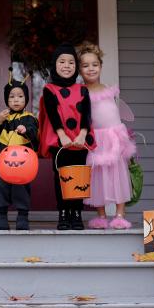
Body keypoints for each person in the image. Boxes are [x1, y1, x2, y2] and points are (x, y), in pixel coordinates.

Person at [78, 42, 135, 229]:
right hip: (95, 139)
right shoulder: (81, 92)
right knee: (98, 176)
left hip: (113, 137)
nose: (91, 69)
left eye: (94, 64)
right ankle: (101, 215)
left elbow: (116, 113)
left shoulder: (109, 90)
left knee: (118, 174)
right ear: (79, 69)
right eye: (85, 65)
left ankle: (119, 214)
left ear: (101, 66)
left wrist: (123, 136)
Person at [39, 43, 96, 230]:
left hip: (79, 139)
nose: (66, 65)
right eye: (62, 61)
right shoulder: (49, 89)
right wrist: (62, 134)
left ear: (75, 67)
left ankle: (76, 213)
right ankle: (64, 213)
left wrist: (82, 134)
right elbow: (52, 114)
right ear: (54, 65)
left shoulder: (82, 90)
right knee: (62, 176)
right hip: (60, 140)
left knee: (78, 176)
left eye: (71, 62)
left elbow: (87, 113)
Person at [0, 69, 39, 231]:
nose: (16, 100)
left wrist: (26, 130)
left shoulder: (30, 118)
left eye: (20, 96)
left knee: (21, 188)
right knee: (1, 187)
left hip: (23, 162)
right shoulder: (3, 117)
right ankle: (1, 215)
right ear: (6, 99)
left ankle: (22, 216)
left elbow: (34, 133)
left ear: (26, 99)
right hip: (4, 160)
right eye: (12, 96)